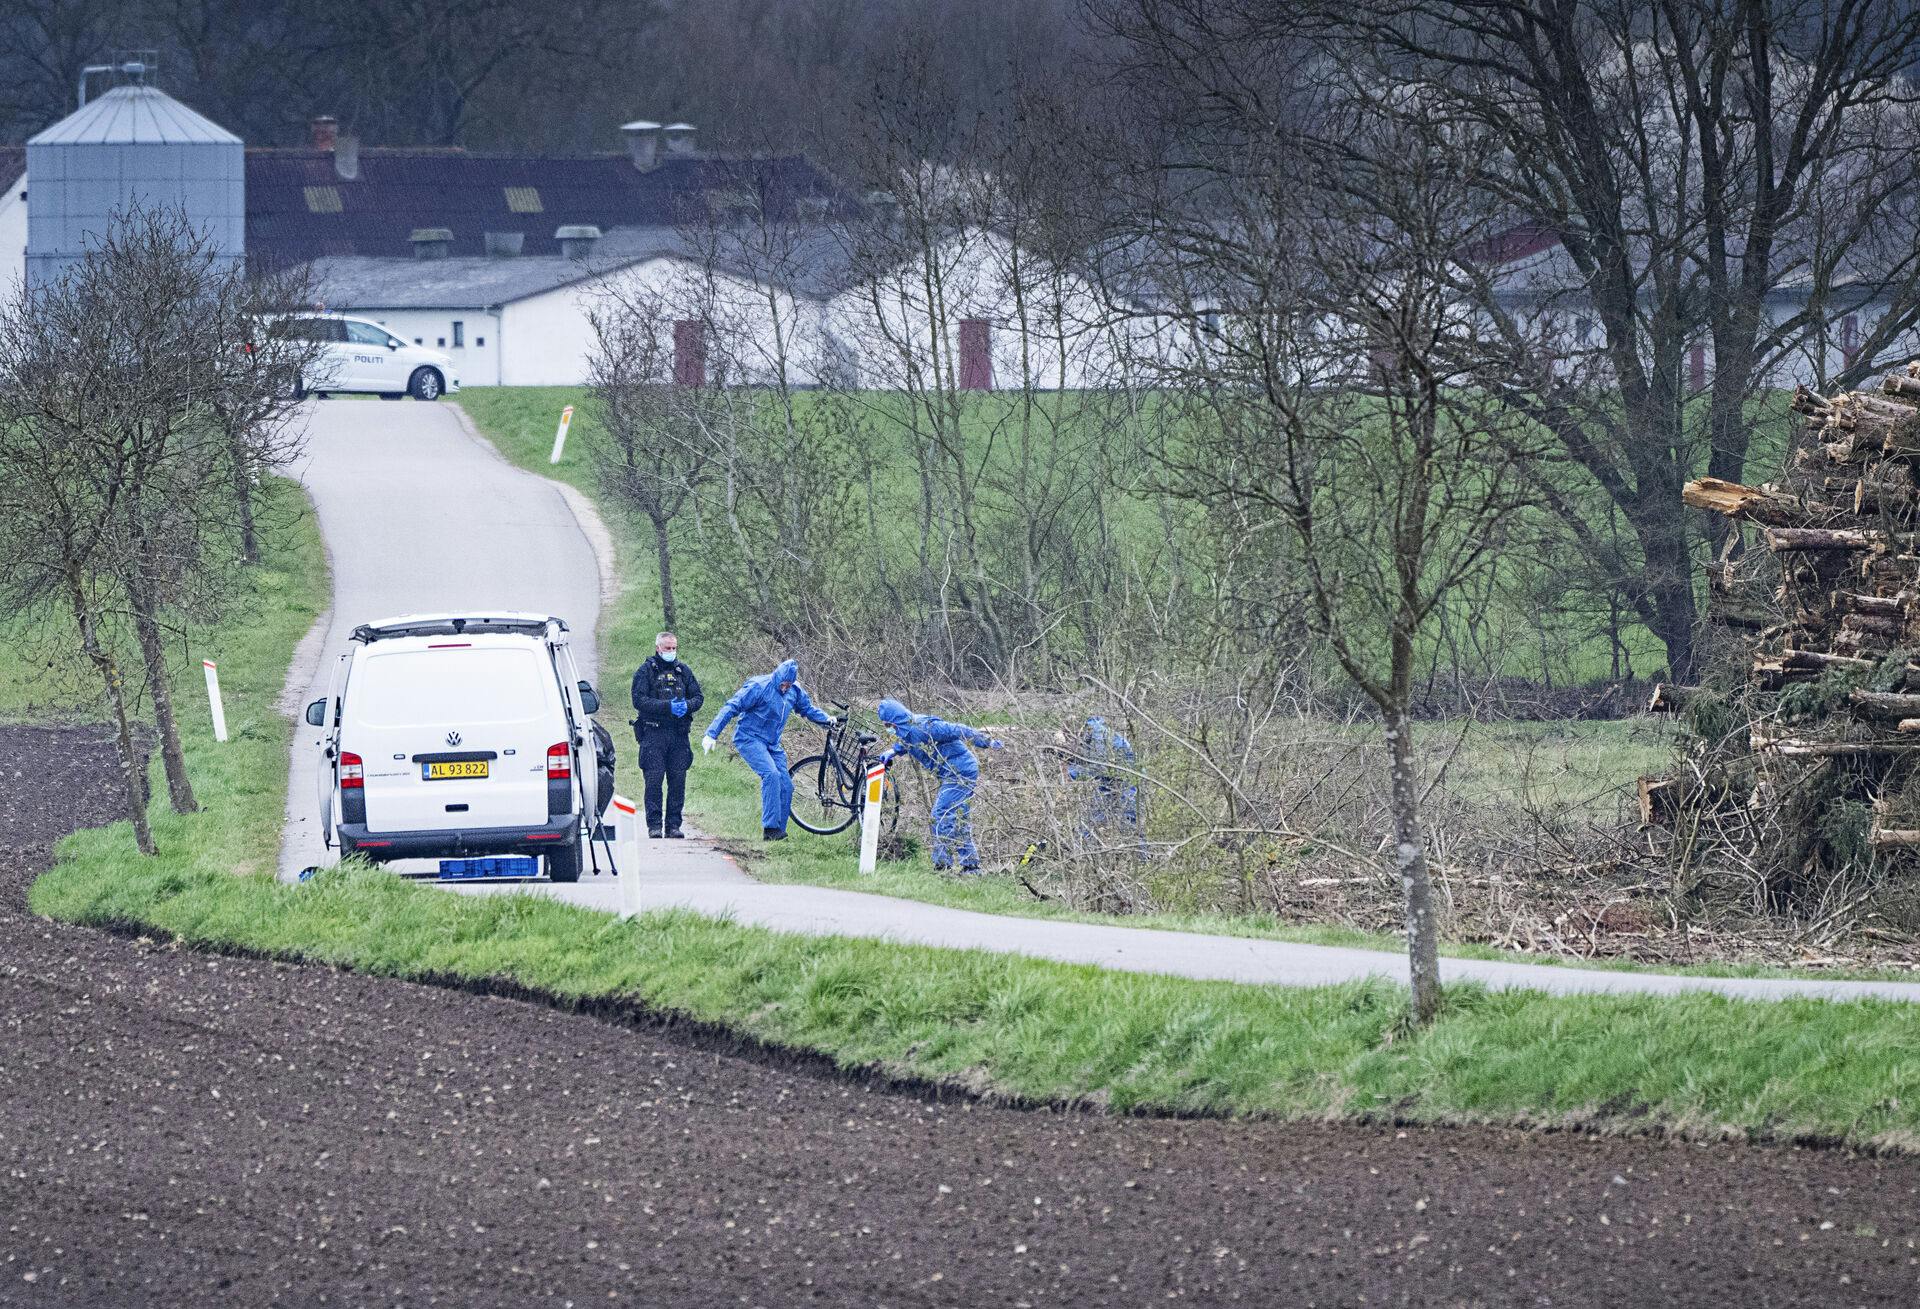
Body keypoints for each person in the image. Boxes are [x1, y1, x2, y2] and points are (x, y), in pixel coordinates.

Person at [703, 658, 835, 840]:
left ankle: (779, 832)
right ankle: (770, 828)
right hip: (749, 738)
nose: (785, 688)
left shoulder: (794, 691)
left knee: (786, 784)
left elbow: (807, 709)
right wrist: (712, 733)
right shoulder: (759, 686)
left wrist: (827, 719)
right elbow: (732, 706)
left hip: (773, 743)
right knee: (771, 775)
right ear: (776, 678)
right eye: (782, 684)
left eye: (788, 685)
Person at [875, 697, 1003, 873]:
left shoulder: (925, 726)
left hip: (960, 771)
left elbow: (958, 729)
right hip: (952, 772)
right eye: (885, 726)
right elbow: (908, 741)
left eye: (888, 725)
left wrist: (985, 741)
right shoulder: (906, 731)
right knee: (958, 817)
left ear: (896, 720)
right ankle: (971, 866)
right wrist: (894, 751)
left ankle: (943, 865)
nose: (888, 729)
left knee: (940, 814)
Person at [630, 631, 704, 839]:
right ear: (658, 648)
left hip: (679, 735)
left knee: (677, 781)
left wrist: (686, 706)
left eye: (674, 648)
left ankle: (673, 825)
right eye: (667, 648)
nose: (671, 652)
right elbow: (639, 700)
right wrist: (667, 707)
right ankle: (654, 826)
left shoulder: (683, 671)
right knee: (653, 781)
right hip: (653, 733)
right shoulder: (645, 671)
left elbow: (698, 697)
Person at [1068, 714, 1144, 857]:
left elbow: (1099, 767)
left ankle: (1079, 854)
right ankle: (1141, 857)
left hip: (1124, 784)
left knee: (1125, 819)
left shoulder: (1098, 736)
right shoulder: (1106, 734)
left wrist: (1073, 772)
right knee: (1127, 822)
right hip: (1119, 781)